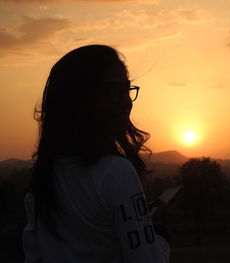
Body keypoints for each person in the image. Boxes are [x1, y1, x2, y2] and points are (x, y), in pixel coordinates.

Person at [22, 45, 170, 263]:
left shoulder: (43, 179)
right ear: (78, 101)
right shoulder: (115, 172)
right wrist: (162, 237)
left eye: (126, 90)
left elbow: (33, 255)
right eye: (111, 91)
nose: (125, 102)